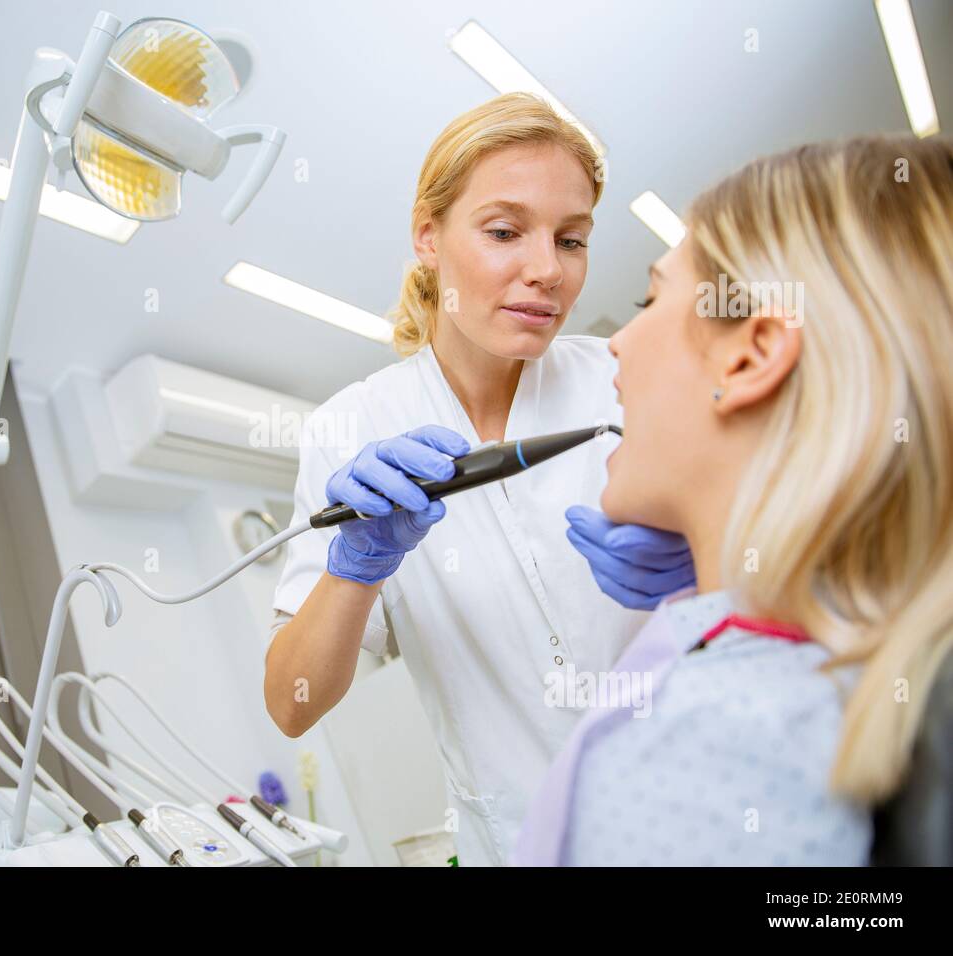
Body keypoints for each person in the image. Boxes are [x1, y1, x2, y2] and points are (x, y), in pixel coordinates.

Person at [264, 93, 693, 866]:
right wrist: (354, 570)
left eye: (572, 240)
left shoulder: (626, 377)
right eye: (503, 232)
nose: (547, 272)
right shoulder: (348, 428)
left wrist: (707, 573)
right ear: (428, 236)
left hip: (695, 802)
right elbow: (292, 703)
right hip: (528, 839)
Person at [513, 133, 953, 865]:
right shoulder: (835, 665)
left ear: (749, 357)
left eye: (650, 298)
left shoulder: (709, 746)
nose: (617, 343)